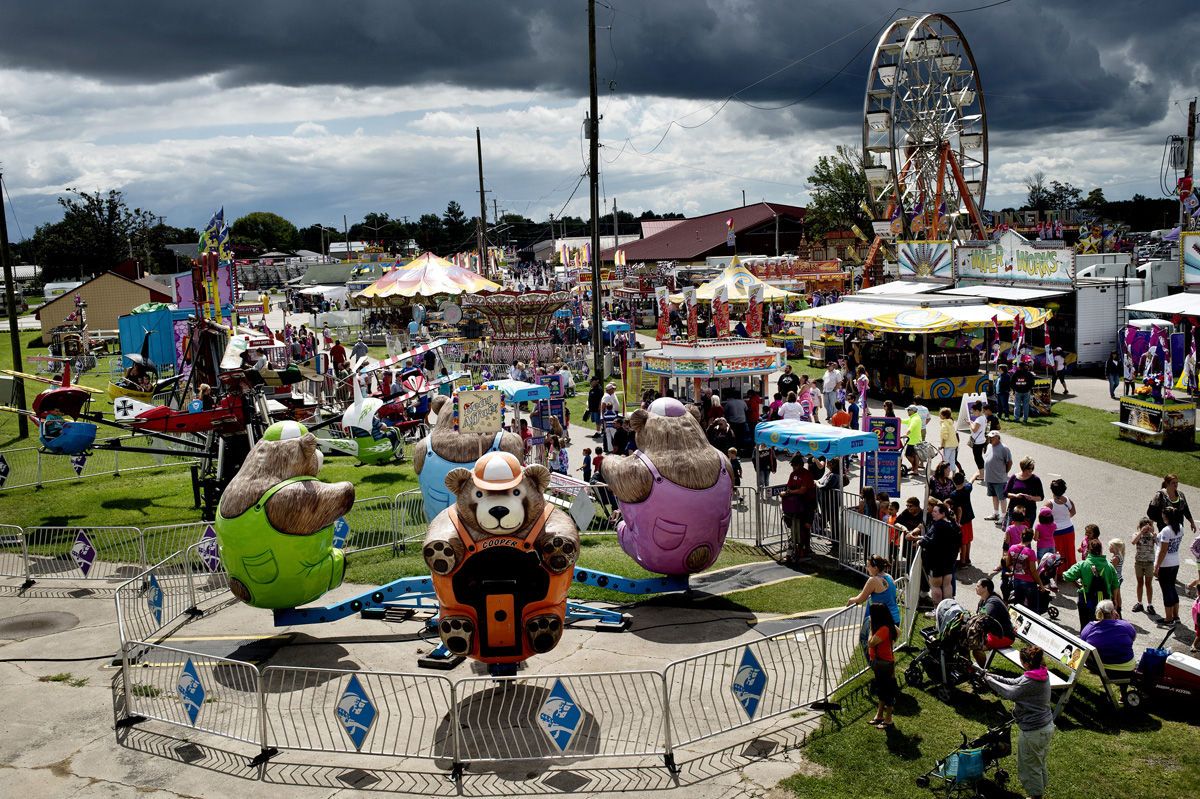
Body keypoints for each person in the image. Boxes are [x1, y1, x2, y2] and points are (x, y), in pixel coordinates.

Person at [977, 645, 1054, 799]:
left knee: (1028, 764)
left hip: (1034, 732)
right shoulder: (1040, 674)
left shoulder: (1031, 681)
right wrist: (994, 677)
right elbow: (1014, 682)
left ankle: (1035, 796)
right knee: (1038, 761)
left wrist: (988, 680)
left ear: (1025, 662)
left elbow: (1011, 693)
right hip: (1046, 727)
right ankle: (1040, 788)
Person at [1063, 536, 1122, 627]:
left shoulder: (1082, 564)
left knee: (1086, 626)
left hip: (1086, 600)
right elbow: (1115, 584)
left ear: (1088, 550)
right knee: (1104, 627)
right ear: (1100, 550)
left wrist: (1078, 586)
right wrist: (1114, 600)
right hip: (1105, 602)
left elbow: (1067, 576)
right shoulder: (1109, 566)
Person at [909, 499, 959, 603]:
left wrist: (919, 542)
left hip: (936, 562)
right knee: (947, 585)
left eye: (935, 512)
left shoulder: (938, 525)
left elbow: (929, 539)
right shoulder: (954, 524)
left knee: (935, 586)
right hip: (949, 561)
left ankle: (937, 610)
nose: (932, 514)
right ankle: (948, 608)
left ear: (943, 513)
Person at [1080, 599, 1137, 673]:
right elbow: (1133, 638)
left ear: (1098, 613)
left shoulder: (1090, 627)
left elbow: (1083, 642)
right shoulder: (1125, 626)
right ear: (1113, 612)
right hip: (1125, 668)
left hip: (1097, 667)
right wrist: (1119, 621)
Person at [866, 603, 898, 728]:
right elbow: (898, 632)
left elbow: (870, 643)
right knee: (881, 690)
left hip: (884, 664)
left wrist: (871, 629)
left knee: (887, 691)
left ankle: (888, 719)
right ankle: (879, 715)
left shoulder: (883, 629)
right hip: (880, 664)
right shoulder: (885, 627)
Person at [969, 578, 1015, 666]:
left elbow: (984, 620)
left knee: (976, 648)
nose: (976, 587)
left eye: (978, 586)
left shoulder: (992, 602)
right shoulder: (983, 600)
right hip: (993, 634)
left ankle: (982, 671)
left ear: (985, 588)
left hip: (1003, 636)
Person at [1154, 506, 1185, 628]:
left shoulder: (1167, 530)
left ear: (1166, 517)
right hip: (1175, 562)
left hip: (1166, 564)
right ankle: (1175, 616)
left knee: (1166, 590)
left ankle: (1168, 618)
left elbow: (1163, 550)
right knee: (1172, 588)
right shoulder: (1180, 528)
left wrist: (1157, 566)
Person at [782, 454, 817, 560]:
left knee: (806, 526)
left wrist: (791, 491)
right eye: (792, 465)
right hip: (796, 505)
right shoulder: (793, 474)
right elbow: (789, 486)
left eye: (795, 465)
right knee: (795, 525)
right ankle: (796, 546)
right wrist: (788, 492)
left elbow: (802, 490)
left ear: (801, 465)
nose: (793, 467)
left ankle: (807, 548)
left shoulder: (807, 474)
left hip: (808, 503)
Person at [1008, 526, 1044, 610]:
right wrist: (1040, 584)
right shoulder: (1030, 552)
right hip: (1029, 582)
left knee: (1018, 606)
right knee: (1033, 608)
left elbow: (1008, 564)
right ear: (1031, 539)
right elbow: (1033, 571)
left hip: (1016, 580)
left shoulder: (1012, 548)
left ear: (1021, 536)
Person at [1004, 457, 1044, 530]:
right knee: (1011, 533)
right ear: (1023, 467)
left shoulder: (1036, 479)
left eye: (1032, 468)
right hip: (1014, 511)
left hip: (1029, 512)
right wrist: (1015, 495)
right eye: (1029, 468)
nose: (1031, 470)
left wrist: (1031, 498)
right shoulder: (1014, 477)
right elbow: (1005, 493)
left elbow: (1041, 497)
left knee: (1025, 535)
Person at [982, 431, 1012, 522]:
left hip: (999, 478)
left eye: (993, 437)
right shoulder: (989, 446)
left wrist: (1004, 472)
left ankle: (1003, 516)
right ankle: (995, 513)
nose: (990, 439)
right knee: (994, 496)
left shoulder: (1004, 448)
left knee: (1002, 498)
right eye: (989, 437)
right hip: (990, 477)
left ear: (998, 437)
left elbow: (1009, 462)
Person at [1047, 478, 1077, 568]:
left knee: (1058, 552)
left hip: (1056, 531)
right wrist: (1066, 518)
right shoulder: (1068, 500)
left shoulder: (1049, 504)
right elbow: (1073, 512)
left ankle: (1059, 572)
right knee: (1069, 551)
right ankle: (1071, 569)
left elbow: (1044, 517)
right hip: (1069, 529)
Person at [1130, 516, 1157, 615]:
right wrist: (1141, 532)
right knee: (1140, 582)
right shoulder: (1137, 534)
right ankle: (1139, 602)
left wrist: (1153, 533)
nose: (1146, 529)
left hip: (1149, 562)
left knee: (1148, 584)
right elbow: (1133, 542)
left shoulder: (1152, 535)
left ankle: (1150, 604)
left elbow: (1159, 544)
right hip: (1139, 563)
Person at [949, 471, 975, 567]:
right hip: (969, 517)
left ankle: (962, 561)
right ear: (963, 481)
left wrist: (958, 521)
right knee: (968, 539)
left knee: (963, 541)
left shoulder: (953, 494)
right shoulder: (967, 489)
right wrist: (975, 475)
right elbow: (971, 482)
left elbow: (958, 509)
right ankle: (967, 558)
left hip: (961, 519)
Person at [968, 401, 988, 483]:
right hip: (982, 440)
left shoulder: (979, 419)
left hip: (977, 441)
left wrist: (970, 424)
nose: (973, 413)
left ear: (977, 410)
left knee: (978, 458)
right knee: (979, 457)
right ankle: (982, 473)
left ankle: (982, 474)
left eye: (973, 411)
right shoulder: (983, 417)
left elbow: (974, 430)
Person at [901, 404, 923, 476]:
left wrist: (906, 434)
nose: (907, 411)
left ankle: (914, 467)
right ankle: (915, 469)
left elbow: (911, 428)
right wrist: (896, 420)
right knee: (915, 455)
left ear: (913, 411)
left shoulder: (915, 419)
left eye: (908, 410)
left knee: (908, 455)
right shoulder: (913, 417)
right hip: (915, 440)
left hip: (913, 441)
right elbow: (904, 421)